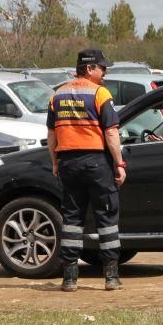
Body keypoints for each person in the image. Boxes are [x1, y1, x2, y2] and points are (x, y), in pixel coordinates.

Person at [47, 49, 127, 292]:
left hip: (68, 162)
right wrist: (120, 163)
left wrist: (54, 162)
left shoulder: (58, 95)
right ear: (90, 69)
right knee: (106, 216)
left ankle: (70, 277)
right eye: (102, 68)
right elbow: (111, 132)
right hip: (96, 162)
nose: (105, 72)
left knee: (72, 218)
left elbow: (51, 135)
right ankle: (111, 276)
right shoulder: (99, 93)